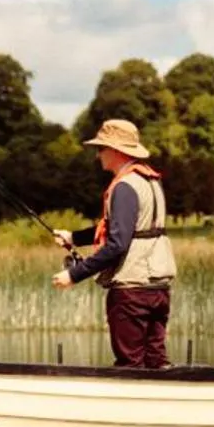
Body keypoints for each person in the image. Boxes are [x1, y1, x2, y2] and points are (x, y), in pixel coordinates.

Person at [51, 118, 176, 368]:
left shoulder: (124, 187)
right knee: (156, 362)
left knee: (130, 365)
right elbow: (130, 228)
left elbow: (118, 243)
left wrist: (74, 275)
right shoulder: (150, 181)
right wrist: (73, 237)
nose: (98, 155)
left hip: (131, 290)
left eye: (101, 148)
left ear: (117, 151)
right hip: (158, 287)